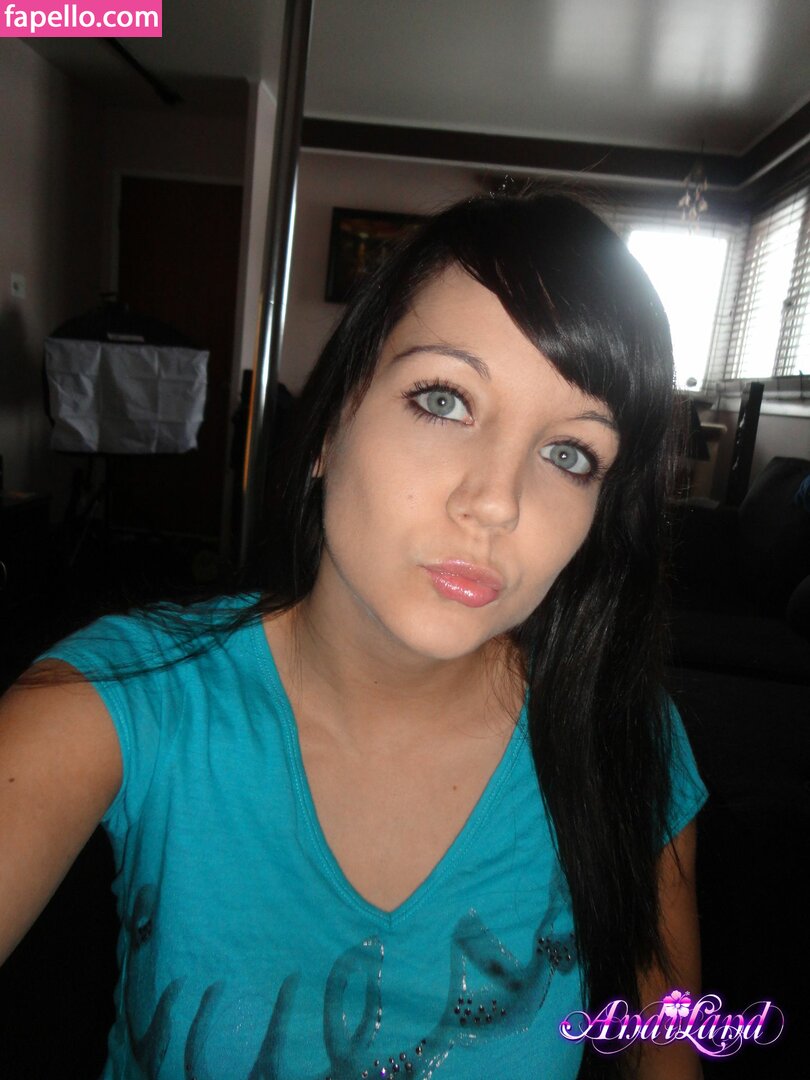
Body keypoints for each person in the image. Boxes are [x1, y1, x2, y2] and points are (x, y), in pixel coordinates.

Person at [0, 191, 707, 1079]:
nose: (496, 502)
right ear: (330, 426)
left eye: (570, 454)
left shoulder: (623, 738)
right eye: (445, 400)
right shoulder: (122, 701)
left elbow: (667, 1049)